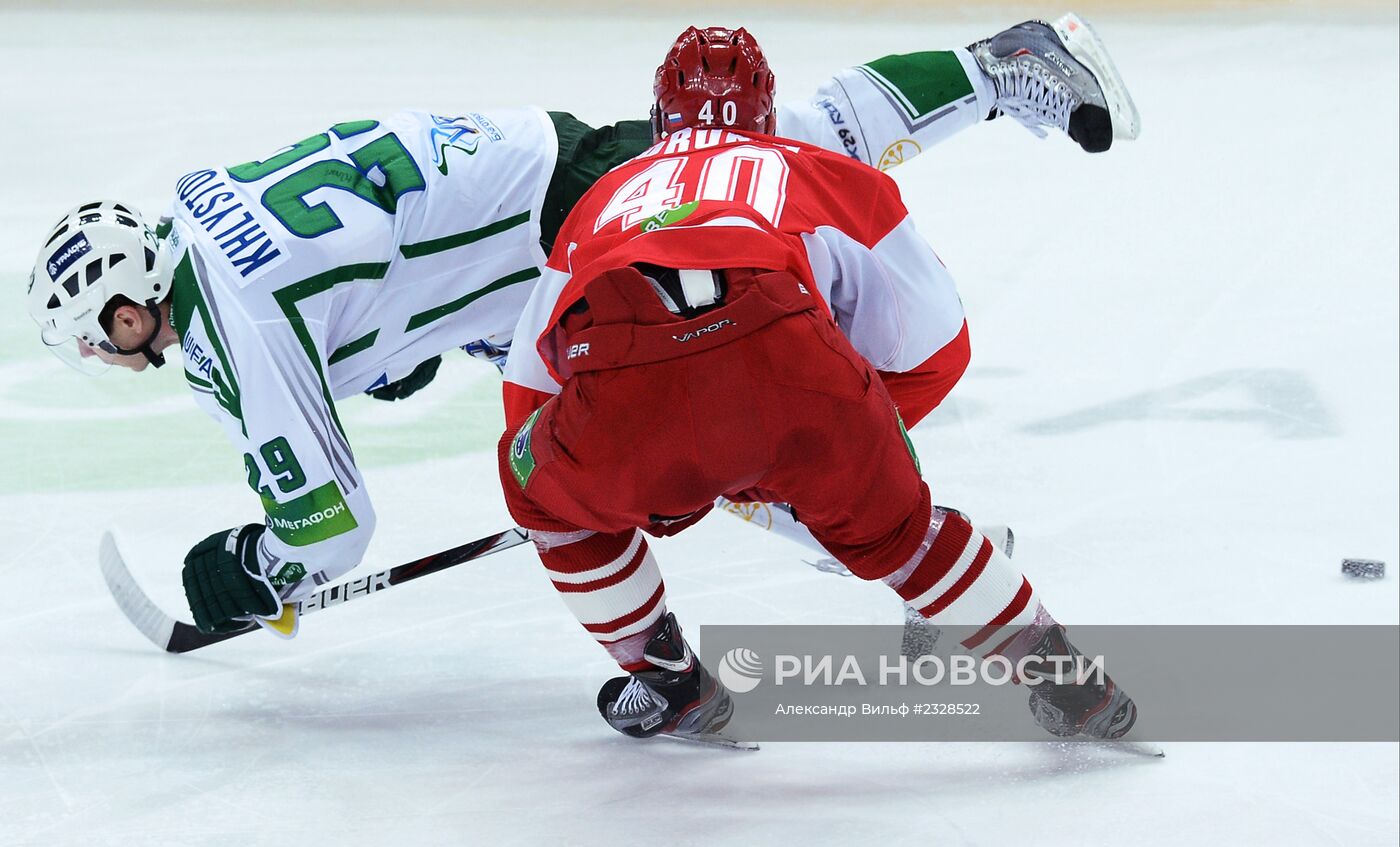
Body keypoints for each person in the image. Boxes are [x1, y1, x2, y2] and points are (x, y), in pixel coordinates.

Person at [27, 16, 1137, 641]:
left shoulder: (226, 322)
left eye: (102, 337)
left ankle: (1000, 68)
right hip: (524, 190)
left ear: (129, 309)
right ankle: (899, 546)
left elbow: (331, 528)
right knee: (765, 216)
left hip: (551, 230)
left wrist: (254, 566)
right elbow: (361, 242)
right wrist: (411, 335)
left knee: (771, 194)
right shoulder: (199, 200)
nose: (112, 354)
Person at [497, 20, 1139, 744]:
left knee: (541, 498)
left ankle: (668, 679)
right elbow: (936, 338)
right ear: (769, 119)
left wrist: (609, 480)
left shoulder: (600, 199)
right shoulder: (809, 168)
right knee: (904, 534)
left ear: (656, 122)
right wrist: (841, 430)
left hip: (626, 388)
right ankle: (1070, 683)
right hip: (795, 373)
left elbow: (527, 394)